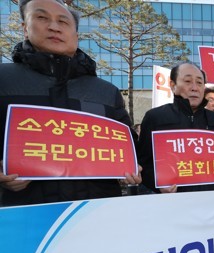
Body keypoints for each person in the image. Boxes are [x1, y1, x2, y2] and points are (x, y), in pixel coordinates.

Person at [0, 0, 141, 206]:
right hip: (23, 219)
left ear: (76, 35)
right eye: (42, 18)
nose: (54, 27)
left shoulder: (106, 91)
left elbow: (129, 149)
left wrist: (131, 170)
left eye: (63, 21)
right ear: (24, 27)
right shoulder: (4, 80)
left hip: (98, 213)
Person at [137, 62, 214, 193]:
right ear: (173, 85)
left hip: (211, 201)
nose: (195, 87)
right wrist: (158, 185)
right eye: (188, 81)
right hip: (173, 203)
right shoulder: (155, 117)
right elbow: (144, 165)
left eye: (200, 83)